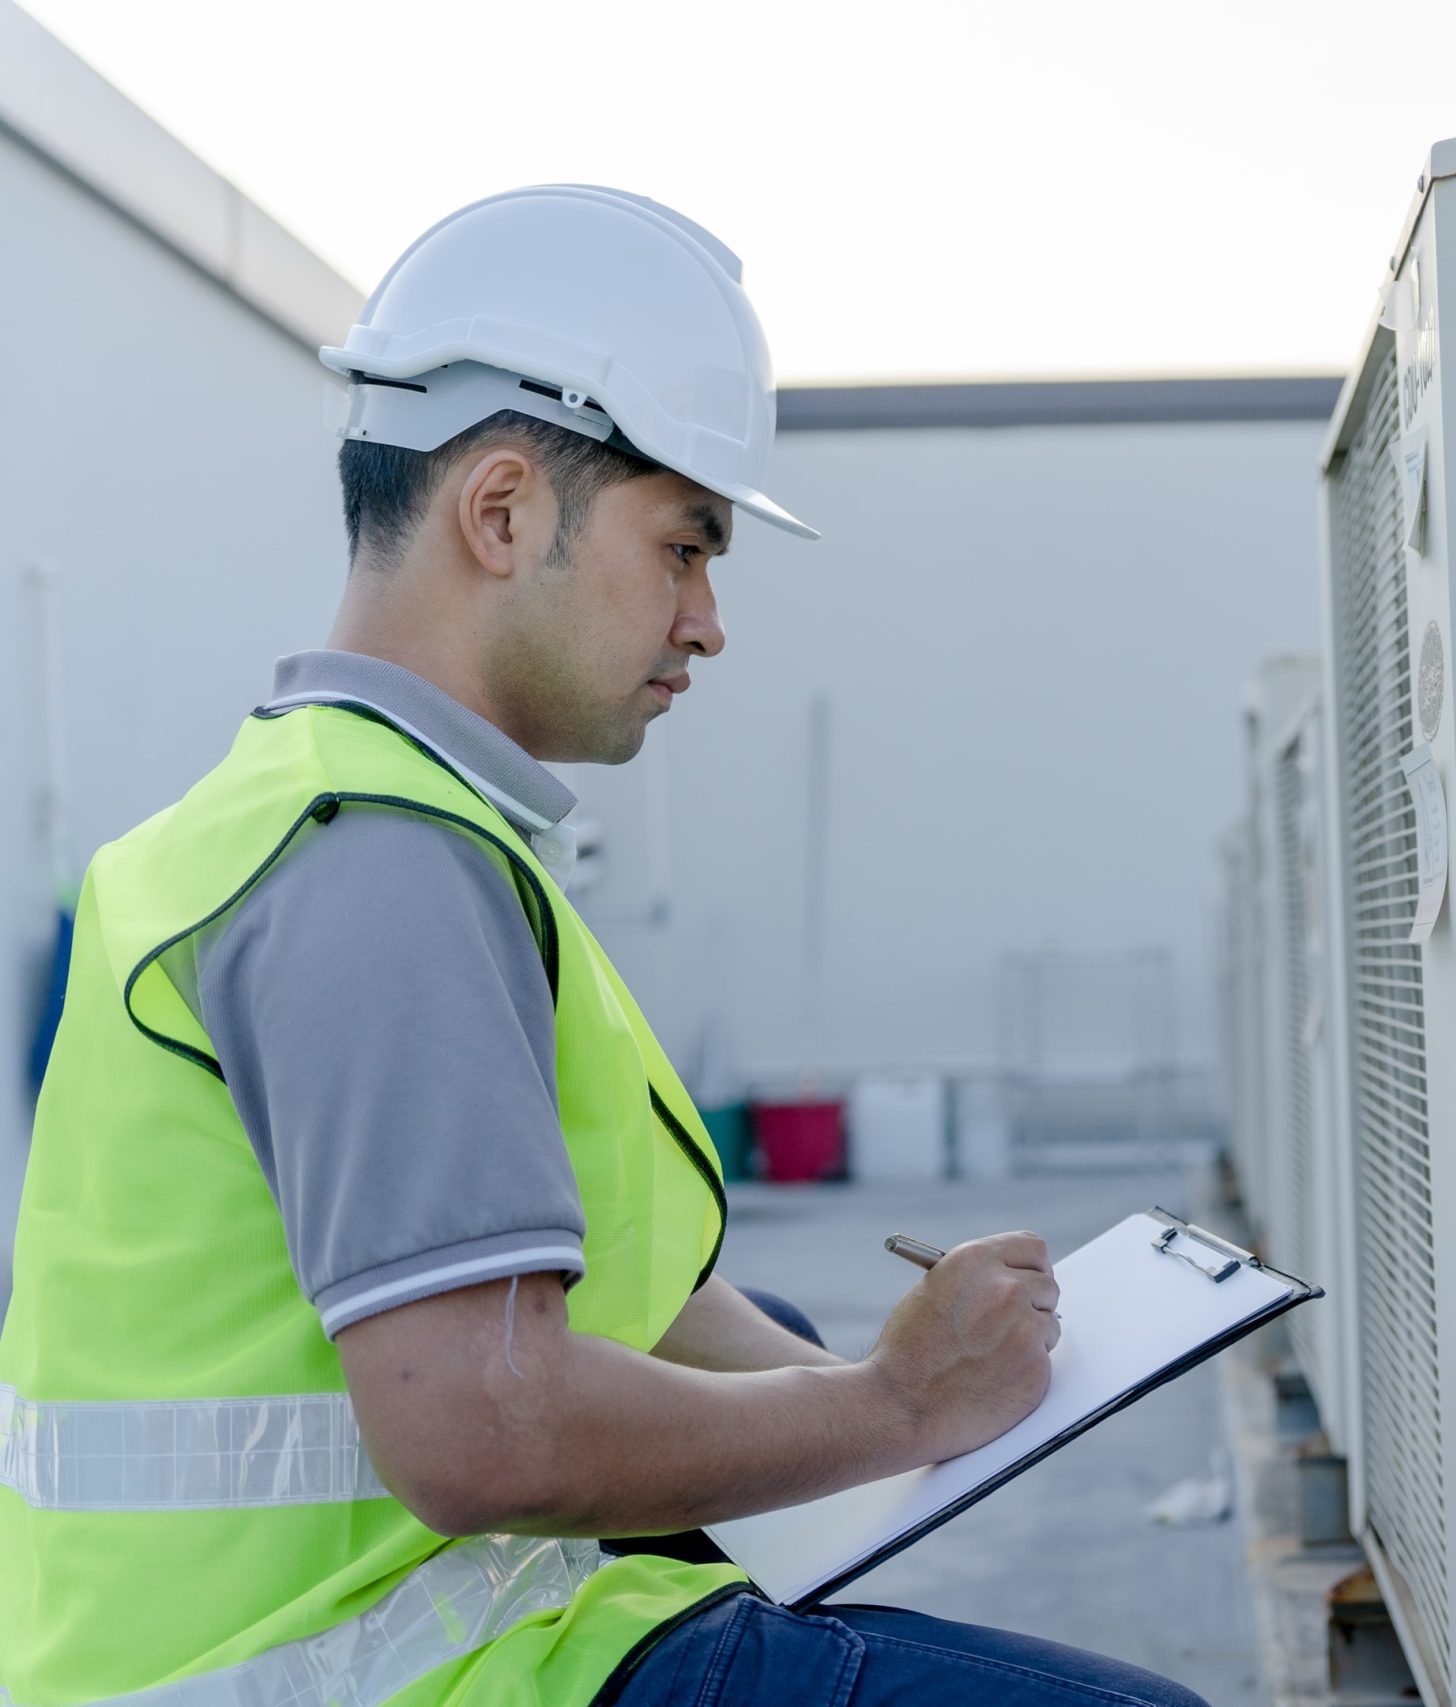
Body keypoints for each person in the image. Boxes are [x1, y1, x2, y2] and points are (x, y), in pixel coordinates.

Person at [0, 186, 1211, 1707]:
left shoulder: (345, 814)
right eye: (685, 549)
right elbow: (481, 1428)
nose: (707, 624)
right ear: (501, 514)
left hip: (373, 1638)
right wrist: (900, 1406)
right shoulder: (375, 862)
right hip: (365, 1677)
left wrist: (886, 1377)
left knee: (792, 1342)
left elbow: (633, 1298)